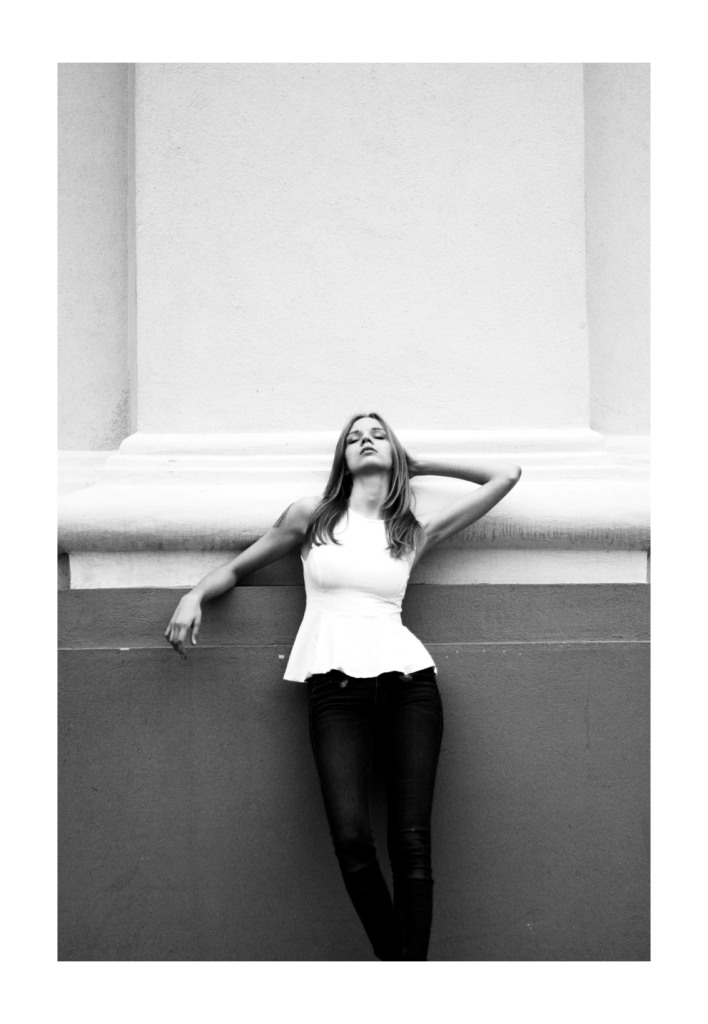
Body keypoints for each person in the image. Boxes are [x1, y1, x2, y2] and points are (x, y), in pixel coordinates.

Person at [165, 412, 521, 960]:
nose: (365, 441)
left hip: (409, 686)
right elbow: (237, 569)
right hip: (335, 691)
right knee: (352, 840)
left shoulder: (412, 531)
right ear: (342, 458)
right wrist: (194, 595)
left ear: (394, 452)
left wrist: (420, 464)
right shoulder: (312, 517)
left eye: (377, 435)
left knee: (411, 842)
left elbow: (506, 475)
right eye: (354, 437)